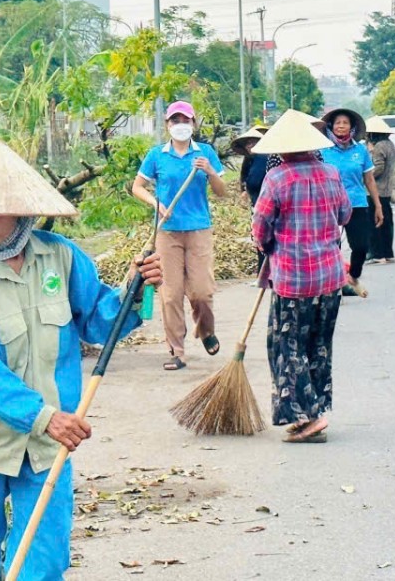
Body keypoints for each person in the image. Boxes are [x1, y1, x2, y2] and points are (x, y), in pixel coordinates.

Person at [0, 139, 163, 581]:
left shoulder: (61, 257)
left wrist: (134, 292)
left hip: (46, 447)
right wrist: (44, 417)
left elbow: (99, 322)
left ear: (22, 209)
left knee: (41, 566)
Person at [251, 109, 351, 443]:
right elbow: (345, 214)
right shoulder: (331, 173)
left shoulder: (277, 178)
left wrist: (268, 247)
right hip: (330, 278)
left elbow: (260, 228)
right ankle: (315, 411)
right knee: (319, 346)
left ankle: (310, 417)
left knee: (286, 346)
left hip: (293, 280)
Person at [132, 100, 228, 370]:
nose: (180, 126)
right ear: (167, 125)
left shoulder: (206, 152)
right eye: (175, 121)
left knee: (202, 292)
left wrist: (210, 171)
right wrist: (157, 205)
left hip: (198, 230)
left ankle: (206, 330)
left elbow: (222, 192)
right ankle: (177, 350)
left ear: (193, 124)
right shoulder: (157, 155)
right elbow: (137, 187)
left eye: (185, 121)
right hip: (166, 232)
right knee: (170, 294)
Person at [319, 107, 383, 296]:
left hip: (356, 203)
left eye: (345, 123)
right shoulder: (322, 151)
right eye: (338, 122)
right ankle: (333, 284)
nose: (341, 126)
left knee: (361, 246)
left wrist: (378, 205)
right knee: (330, 247)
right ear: (331, 126)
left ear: (351, 127)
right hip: (329, 205)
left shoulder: (360, 150)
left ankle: (353, 276)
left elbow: (369, 179)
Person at [365, 115, 395, 264]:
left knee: (374, 222)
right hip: (387, 189)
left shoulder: (378, 147)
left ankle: (377, 254)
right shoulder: (389, 144)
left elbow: (378, 168)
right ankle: (387, 252)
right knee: (386, 222)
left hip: (376, 190)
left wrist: (365, 178)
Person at [233, 124, 270, 207]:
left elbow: (254, 182)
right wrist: (244, 189)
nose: (249, 146)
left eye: (252, 142)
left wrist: (248, 188)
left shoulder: (263, 156)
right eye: (248, 143)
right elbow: (244, 172)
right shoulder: (250, 157)